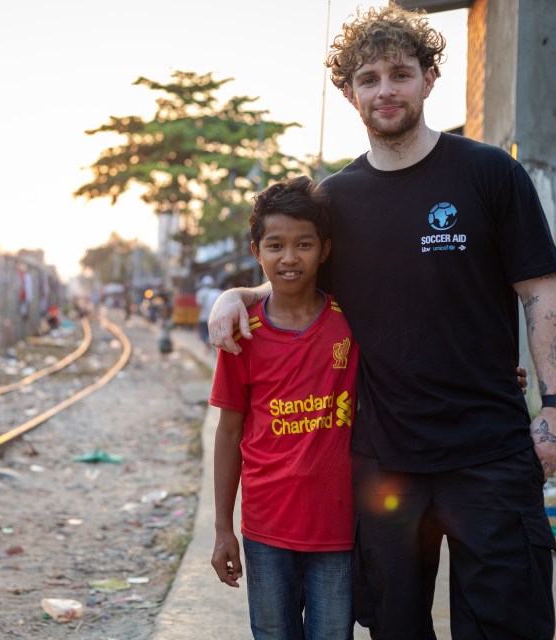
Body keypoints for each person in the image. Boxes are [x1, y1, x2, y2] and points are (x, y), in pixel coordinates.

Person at [209, 5, 556, 639]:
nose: (385, 90)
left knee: (508, 626)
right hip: (382, 461)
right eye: (368, 78)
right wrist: (235, 294)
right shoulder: (337, 201)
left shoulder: (489, 174)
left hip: (489, 450)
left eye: (400, 73)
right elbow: (294, 275)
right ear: (350, 93)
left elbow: (540, 293)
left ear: (429, 79)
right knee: (395, 629)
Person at [209, 176, 359, 639]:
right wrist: (222, 528)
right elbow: (229, 433)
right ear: (257, 251)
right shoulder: (240, 333)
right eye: (275, 245)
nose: (290, 258)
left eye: (304, 244)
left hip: (337, 530)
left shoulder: (351, 323)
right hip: (265, 528)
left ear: (325, 249)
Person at [195, 275, 223, 347]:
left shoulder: (200, 293)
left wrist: (197, 317)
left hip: (203, 316)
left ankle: (207, 347)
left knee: (204, 334)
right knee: (211, 333)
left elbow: (199, 306)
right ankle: (210, 346)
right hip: (214, 317)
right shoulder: (216, 292)